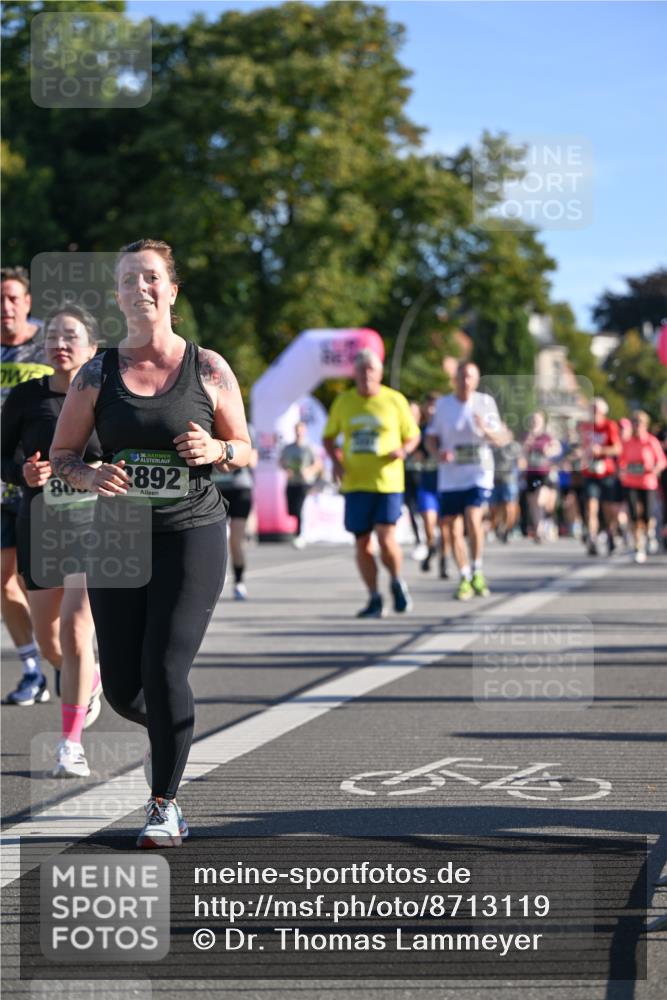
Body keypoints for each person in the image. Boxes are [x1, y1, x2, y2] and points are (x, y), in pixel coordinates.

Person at [51, 239, 252, 847]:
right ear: (116, 297)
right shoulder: (97, 373)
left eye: (151, 277)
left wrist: (216, 449)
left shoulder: (208, 368)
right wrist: (89, 475)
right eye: (127, 280)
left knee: (165, 669)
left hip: (191, 532)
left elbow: (245, 448)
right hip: (118, 535)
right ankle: (170, 728)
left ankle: (164, 804)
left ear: (171, 290)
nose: (139, 288)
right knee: (122, 689)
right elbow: (63, 455)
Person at [1, 305, 103, 775]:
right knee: (50, 641)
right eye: (54, 336)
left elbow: (129, 451)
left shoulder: (108, 396)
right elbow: (3, 458)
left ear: (92, 348)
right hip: (39, 524)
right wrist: (22, 472)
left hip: (95, 525)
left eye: (71, 336)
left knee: (77, 626)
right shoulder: (27, 396)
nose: (60, 344)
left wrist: (104, 470)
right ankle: (89, 679)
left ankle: (70, 743)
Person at [322, 348, 420, 618]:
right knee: (363, 544)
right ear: (355, 374)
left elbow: (413, 435)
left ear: (380, 373)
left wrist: (404, 450)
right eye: (362, 370)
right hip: (355, 483)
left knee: (386, 539)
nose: (366, 375)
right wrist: (336, 461)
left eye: (371, 370)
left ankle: (397, 581)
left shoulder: (394, 400)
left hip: (387, 482)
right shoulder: (344, 401)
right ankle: (374, 597)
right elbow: (328, 437)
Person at [1, 266, 52, 704]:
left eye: (13, 298)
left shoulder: (50, 344)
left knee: (37, 581)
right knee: (3, 581)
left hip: (47, 482)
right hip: (4, 482)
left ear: (28, 302)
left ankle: (67, 657)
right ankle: (33, 669)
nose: (5, 307)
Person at [426, 361, 508, 601]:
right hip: (451, 476)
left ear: (477, 380)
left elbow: (500, 439)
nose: (465, 381)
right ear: (455, 380)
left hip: (478, 473)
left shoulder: (485, 403)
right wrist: (437, 454)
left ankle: (477, 569)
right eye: (461, 377)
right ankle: (464, 577)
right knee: (452, 528)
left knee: (473, 517)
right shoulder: (443, 405)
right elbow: (430, 438)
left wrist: (484, 429)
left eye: (470, 377)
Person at [213, 424, 258, 597]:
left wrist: (229, 453)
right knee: (216, 539)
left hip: (240, 489)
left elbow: (252, 460)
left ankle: (239, 582)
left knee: (235, 541)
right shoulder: (207, 422)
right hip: (216, 488)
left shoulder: (247, 428)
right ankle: (217, 577)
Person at [618, 410, 666, 562]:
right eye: (634, 423)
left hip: (647, 483)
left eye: (639, 423)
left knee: (647, 515)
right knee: (633, 515)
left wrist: (655, 469)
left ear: (645, 425)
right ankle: (638, 546)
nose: (637, 426)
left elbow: (662, 461)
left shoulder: (651, 441)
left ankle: (649, 533)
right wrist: (622, 470)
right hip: (631, 482)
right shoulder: (627, 442)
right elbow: (621, 461)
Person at [580, 398, 621, 556]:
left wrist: (601, 450)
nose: (594, 413)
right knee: (591, 507)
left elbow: (617, 449)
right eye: (592, 409)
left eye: (596, 410)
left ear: (603, 412)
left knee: (608, 508)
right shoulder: (585, 427)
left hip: (606, 472)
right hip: (590, 473)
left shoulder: (610, 426)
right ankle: (592, 538)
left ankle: (611, 534)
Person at [415, 393, 449, 575]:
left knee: (444, 527)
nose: (431, 410)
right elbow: (414, 452)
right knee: (429, 523)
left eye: (434, 406)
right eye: (428, 406)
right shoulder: (420, 430)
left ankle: (444, 560)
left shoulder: (447, 430)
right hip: (427, 483)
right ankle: (431, 547)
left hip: (445, 483)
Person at [279, 421, 322, 548]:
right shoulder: (288, 448)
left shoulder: (309, 447)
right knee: (291, 510)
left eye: (301, 431)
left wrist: (309, 471)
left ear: (304, 431)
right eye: (297, 431)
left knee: (299, 509)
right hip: (292, 482)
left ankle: (299, 535)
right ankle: (298, 533)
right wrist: (287, 469)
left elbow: (318, 464)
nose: (299, 433)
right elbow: (281, 462)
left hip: (304, 483)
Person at [521, 411, 561, 543]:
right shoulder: (527, 436)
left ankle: (543, 526)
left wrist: (549, 451)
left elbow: (557, 449)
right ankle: (539, 529)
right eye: (532, 420)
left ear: (542, 422)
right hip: (530, 473)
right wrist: (527, 443)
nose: (534, 422)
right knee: (533, 503)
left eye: (537, 420)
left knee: (539, 500)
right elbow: (521, 453)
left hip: (544, 473)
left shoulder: (547, 436)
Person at [490, 435, 522, 543]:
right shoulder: (489, 445)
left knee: (509, 506)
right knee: (495, 508)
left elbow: (518, 459)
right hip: (493, 480)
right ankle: (498, 527)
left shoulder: (513, 445)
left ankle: (507, 529)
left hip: (508, 480)